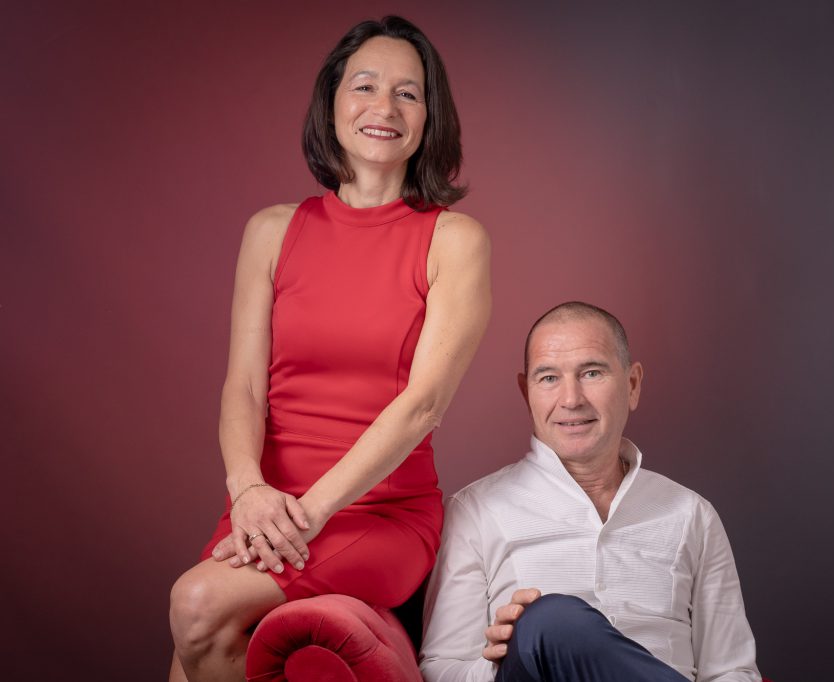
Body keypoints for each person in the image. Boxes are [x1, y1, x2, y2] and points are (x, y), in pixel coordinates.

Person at [168, 16, 490, 681]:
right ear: (332, 102)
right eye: (365, 85)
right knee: (197, 636)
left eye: (409, 92)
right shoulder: (271, 230)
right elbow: (244, 389)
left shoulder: (455, 241)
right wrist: (250, 489)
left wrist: (309, 514)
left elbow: (422, 404)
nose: (384, 107)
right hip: (265, 502)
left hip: (377, 511)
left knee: (197, 602)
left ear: (431, 118)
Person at [419, 302, 759, 682]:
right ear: (525, 392)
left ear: (632, 385)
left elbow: (731, 670)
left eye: (592, 372)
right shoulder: (476, 511)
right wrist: (502, 657)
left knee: (549, 621)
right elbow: (440, 670)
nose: (571, 399)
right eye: (548, 378)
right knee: (548, 622)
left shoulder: (692, 515)